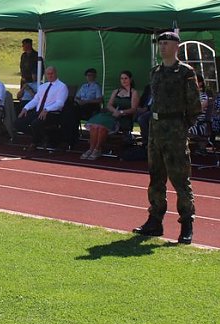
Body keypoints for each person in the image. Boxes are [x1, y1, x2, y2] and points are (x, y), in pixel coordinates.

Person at [133, 30, 202, 245]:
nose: (162, 47)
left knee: (180, 179)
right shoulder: (155, 71)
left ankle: (186, 224)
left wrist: (182, 127)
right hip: (156, 128)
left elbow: (194, 106)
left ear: (176, 47)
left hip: (175, 128)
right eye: (160, 43)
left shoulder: (185, 72)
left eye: (166, 43)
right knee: (156, 177)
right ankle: (155, 221)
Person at [81, 71, 139, 160]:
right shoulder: (116, 91)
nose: (123, 80)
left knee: (102, 127)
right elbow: (109, 105)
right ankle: (91, 148)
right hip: (111, 114)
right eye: (122, 78)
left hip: (123, 117)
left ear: (130, 79)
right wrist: (114, 111)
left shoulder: (134, 92)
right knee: (95, 125)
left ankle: (97, 149)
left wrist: (121, 112)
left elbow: (133, 109)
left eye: (126, 78)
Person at [15, 66, 69, 150]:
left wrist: (47, 109)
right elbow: (36, 100)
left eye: (52, 73)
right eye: (48, 74)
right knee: (18, 122)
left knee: (35, 123)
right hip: (38, 112)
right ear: (46, 75)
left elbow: (60, 103)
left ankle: (35, 141)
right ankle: (41, 136)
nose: (50, 76)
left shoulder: (62, 87)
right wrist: (26, 108)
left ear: (56, 73)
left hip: (52, 113)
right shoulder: (43, 86)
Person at [188, 73, 210, 138]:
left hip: (200, 125)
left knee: (180, 131)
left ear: (200, 83)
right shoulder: (191, 95)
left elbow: (198, 109)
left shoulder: (203, 96)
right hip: (190, 123)